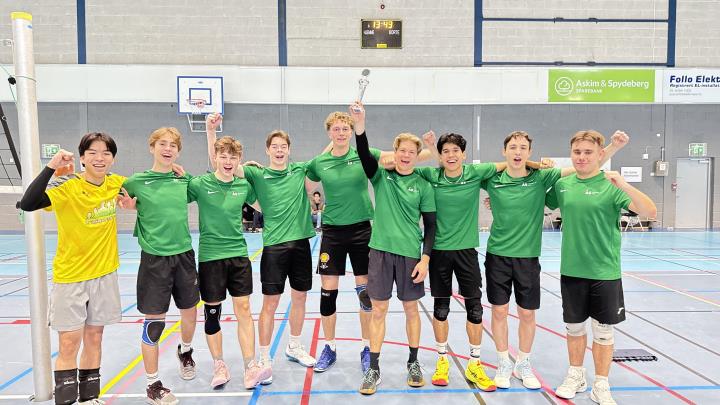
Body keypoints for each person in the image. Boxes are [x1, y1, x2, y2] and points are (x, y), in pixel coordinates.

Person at [481, 130, 626, 390]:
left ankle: (523, 363)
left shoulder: (541, 177)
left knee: (527, 313)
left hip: (528, 257)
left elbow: (585, 166)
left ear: (529, 152)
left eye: (523, 148)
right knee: (499, 311)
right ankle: (503, 363)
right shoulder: (492, 178)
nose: (517, 152)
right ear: (504, 151)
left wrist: (613, 148)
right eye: (512, 147)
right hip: (497, 255)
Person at [305, 108, 434, 374]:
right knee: (328, 292)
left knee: (366, 294)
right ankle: (329, 346)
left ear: (351, 131)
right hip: (332, 231)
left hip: (362, 230)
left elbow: (404, 157)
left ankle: (367, 347)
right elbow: (305, 186)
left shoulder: (366, 155)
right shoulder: (319, 162)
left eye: (345, 129)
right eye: (336, 129)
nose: (341, 133)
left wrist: (427, 151)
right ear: (329, 133)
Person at [546, 130, 656, 405]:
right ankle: (576, 375)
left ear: (600, 155)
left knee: (603, 332)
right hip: (572, 269)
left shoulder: (612, 185)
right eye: (577, 152)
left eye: (588, 152)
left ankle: (601, 384)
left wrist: (624, 184)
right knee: (574, 329)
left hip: (604, 271)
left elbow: (650, 212)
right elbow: (535, 200)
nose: (582, 157)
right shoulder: (563, 185)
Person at [206, 114, 317, 385]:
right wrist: (211, 132)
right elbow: (221, 164)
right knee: (270, 303)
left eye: (283, 146)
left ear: (289, 150)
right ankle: (265, 356)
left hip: (301, 243)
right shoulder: (256, 173)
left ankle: (294, 345)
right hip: (274, 246)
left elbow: (325, 158)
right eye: (274, 146)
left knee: (300, 298)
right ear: (267, 150)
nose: (279, 150)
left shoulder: (300, 170)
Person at [19, 133, 124, 405]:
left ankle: (89, 398)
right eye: (93, 152)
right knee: (68, 343)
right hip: (71, 277)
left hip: (104, 275)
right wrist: (51, 166)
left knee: (95, 338)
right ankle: (65, 399)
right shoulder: (68, 185)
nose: (99, 158)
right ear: (82, 158)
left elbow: (148, 186)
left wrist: (173, 170)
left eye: (106, 153)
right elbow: (29, 203)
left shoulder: (116, 183)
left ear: (112, 159)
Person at [415, 131, 518, 392]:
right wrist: (429, 147)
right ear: (440, 156)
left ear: (464, 154)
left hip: (466, 252)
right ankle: (442, 361)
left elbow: (510, 162)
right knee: (441, 309)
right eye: (445, 151)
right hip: (438, 252)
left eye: (455, 151)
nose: (451, 156)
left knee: (475, 309)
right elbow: (406, 162)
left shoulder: (475, 173)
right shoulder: (431, 175)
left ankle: (475, 363)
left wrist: (540, 163)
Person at [350, 102, 437, 395]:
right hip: (380, 252)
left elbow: (431, 226)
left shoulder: (423, 185)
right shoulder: (381, 177)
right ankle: (374, 368)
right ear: (395, 152)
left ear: (416, 156)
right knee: (379, 310)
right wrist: (359, 124)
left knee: (412, 309)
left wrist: (425, 259)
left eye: (412, 152)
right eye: (402, 150)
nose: (406, 155)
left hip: (410, 254)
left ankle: (413, 362)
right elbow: (364, 153)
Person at [122, 127, 199, 405]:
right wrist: (128, 206)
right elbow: (112, 197)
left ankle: (185, 351)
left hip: (184, 256)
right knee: (154, 324)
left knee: (190, 313)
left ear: (178, 151)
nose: (168, 149)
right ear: (151, 147)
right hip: (154, 260)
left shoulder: (183, 180)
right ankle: (152, 384)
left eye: (173, 145)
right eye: (163, 144)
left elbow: (209, 187)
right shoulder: (136, 181)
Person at [189, 134, 271, 389]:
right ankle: (219, 365)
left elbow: (266, 206)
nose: (227, 161)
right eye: (223, 156)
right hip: (211, 257)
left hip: (238, 255)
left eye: (232, 157)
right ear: (215, 158)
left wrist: (257, 174)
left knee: (244, 309)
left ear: (239, 160)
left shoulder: (243, 186)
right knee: (212, 313)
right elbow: (171, 197)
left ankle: (250, 366)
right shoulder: (199, 184)